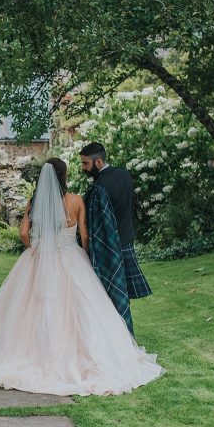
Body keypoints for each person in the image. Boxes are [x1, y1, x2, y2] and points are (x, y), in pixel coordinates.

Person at [0, 159, 162, 396]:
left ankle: (37, 354)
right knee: (83, 307)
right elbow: (84, 237)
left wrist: (34, 247)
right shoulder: (76, 201)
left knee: (36, 306)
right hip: (69, 255)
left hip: (40, 256)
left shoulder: (35, 202)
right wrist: (84, 257)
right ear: (64, 176)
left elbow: (24, 232)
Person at [79, 142, 152, 334]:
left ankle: (114, 335)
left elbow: (94, 223)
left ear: (98, 161)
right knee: (121, 292)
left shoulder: (99, 188)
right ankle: (122, 332)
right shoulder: (125, 175)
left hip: (106, 245)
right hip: (126, 239)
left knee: (108, 292)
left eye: (86, 164)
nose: (83, 168)